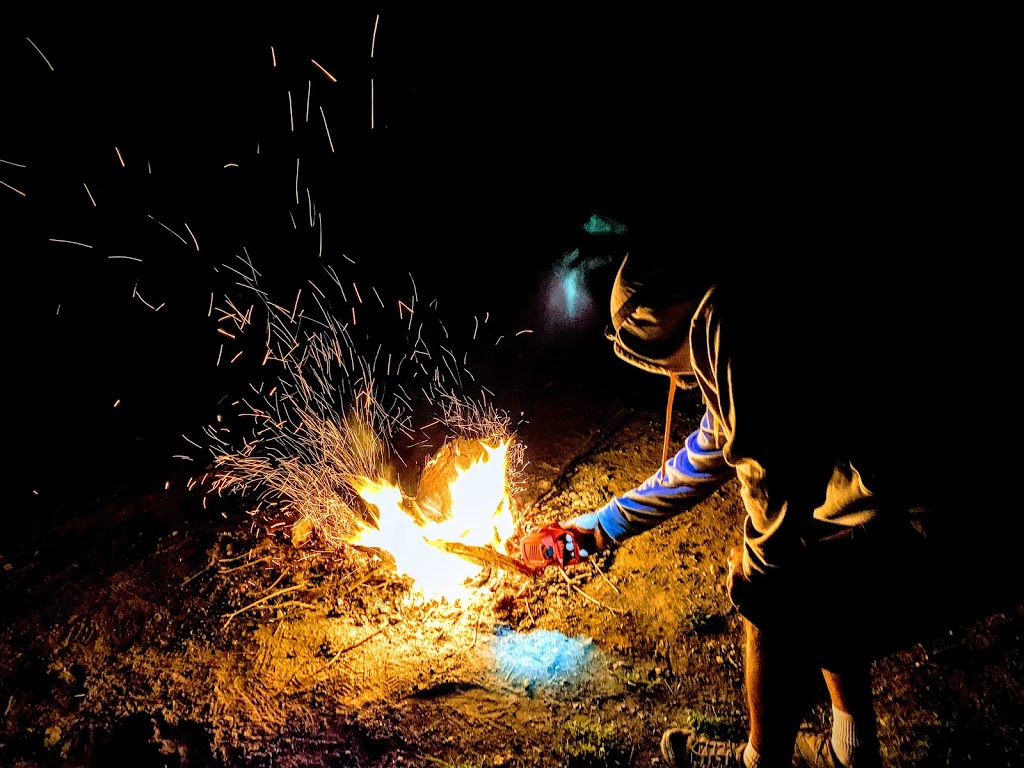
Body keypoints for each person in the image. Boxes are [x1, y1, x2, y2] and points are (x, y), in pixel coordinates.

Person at [557, 253, 1019, 767]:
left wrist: (760, 577)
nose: (672, 375)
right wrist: (604, 525)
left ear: (668, 334)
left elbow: (770, 483)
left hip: (961, 516)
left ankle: (761, 761)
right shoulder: (740, 299)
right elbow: (707, 451)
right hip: (913, 489)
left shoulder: (730, 326)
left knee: (773, 584)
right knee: (811, 556)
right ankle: (851, 751)